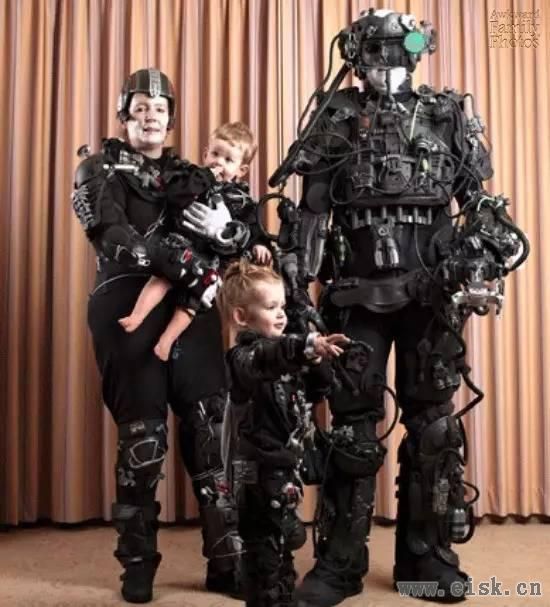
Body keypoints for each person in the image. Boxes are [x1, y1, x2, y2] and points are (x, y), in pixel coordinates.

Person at [268, 8, 528, 606]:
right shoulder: (336, 115)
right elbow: (310, 212)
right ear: (356, 57)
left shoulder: (446, 113)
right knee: (352, 432)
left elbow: (478, 204)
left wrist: (483, 253)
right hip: (354, 296)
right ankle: (339, 563)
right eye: (376, 52)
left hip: (429, 295)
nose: (388, 63)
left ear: (417, 53)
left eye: (399, 50)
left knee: (434, 425)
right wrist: (296, 288)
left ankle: (425, 558)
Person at [71, 68, 247, 603]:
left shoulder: (190, 173)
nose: (151, 116)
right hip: (127, 304)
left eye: (161, 109)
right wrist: (180, 258)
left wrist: (229, 233)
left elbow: (235, 232)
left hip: (191, 309)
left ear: (171, 120)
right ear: (124, 115)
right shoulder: (97, 168)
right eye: (141, 108)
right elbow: (113, 236)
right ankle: (138, 564)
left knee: (211, 435)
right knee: (143, 442)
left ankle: (227, 562)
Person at [218, 260, 348, 607]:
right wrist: (304, 347)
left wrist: (318, 360)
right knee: (264, 556)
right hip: (256, 473)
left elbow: (319, 390)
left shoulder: (287, 357)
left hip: (284, 467)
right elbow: (268, 356)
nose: (280, 314)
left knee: (282, 550)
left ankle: (283, 596)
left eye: (282, 306)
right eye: (270, 307)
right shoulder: (243, 358)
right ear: (241, 316)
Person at [118, 122, 272, 361]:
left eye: (228, 160)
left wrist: (260, 244)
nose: (219, 162)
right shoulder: (193, 178)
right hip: (181, 244)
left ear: (241, 170)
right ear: (205, 154)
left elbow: (253, 229)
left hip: (209, 260)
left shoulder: (242, 201)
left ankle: (166, 342)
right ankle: (136, 316)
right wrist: (204, 178)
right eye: (215, 154)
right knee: (163, 277)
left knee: (194, 301)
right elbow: (174, 196)